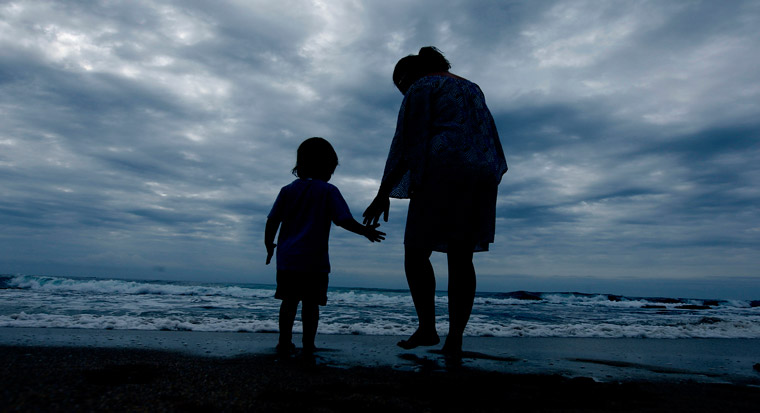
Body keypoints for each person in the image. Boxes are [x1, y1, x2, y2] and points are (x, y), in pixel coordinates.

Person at [363, 47, 507, 357]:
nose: (402, 93)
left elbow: (408, 141)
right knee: (461, 257)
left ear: (406, 76)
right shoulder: (471, 87)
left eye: (400, 86)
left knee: (416, 252)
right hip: (481, 176)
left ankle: (428, 327)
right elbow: (488, 136)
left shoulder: (423, 86)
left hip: (444, 172)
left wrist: (383, 192)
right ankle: (454, 340)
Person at [266, 137, 385, 354]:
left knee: (288, 302)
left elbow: (273, 220)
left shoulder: (287, 191)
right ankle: (308, 344)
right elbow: (343, 220)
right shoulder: (328, 191)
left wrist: (269, 244)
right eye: (331, 168)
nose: (332, 174)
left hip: (287, 259)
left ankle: (284, 342)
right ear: (325, 167)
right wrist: (365, 231)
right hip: (314, 261)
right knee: (311, 305)